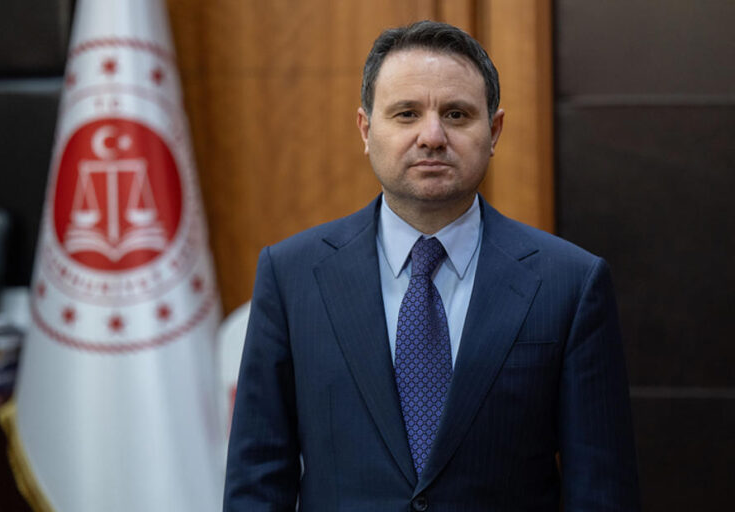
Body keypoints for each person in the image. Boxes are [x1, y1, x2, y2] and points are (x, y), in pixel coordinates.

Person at [224, 20, 640, 511]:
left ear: (494, 131)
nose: (433, 136)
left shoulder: (569, 283)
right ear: (366, 129)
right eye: (406, 114)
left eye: (457, 114)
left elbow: (601, 489)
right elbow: (258, 480)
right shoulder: (291, 275)